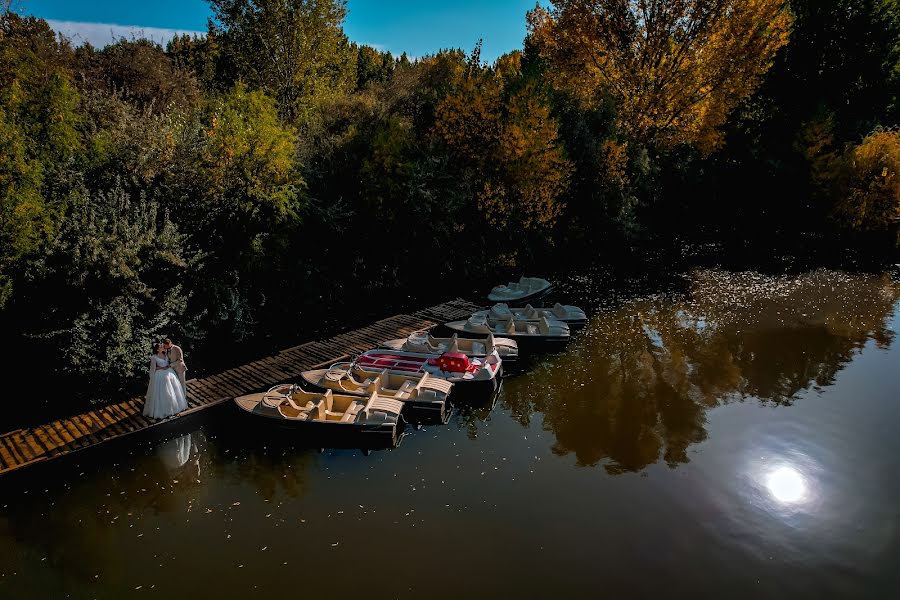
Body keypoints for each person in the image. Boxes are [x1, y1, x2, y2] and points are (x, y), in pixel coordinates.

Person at [144, 341, 188, 420]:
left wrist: (167, 367)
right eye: (161, 347)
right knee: (165, 391)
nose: (163, 347)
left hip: (169, 372)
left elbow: (175, 360)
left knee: (175, 389)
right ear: (157, 350)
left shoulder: (165, 354)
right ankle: (165, 409)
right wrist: (162, 368)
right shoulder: (154, 357)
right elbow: (153, 368)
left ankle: (175, 405)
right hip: (161, 374)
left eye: (162, 346)